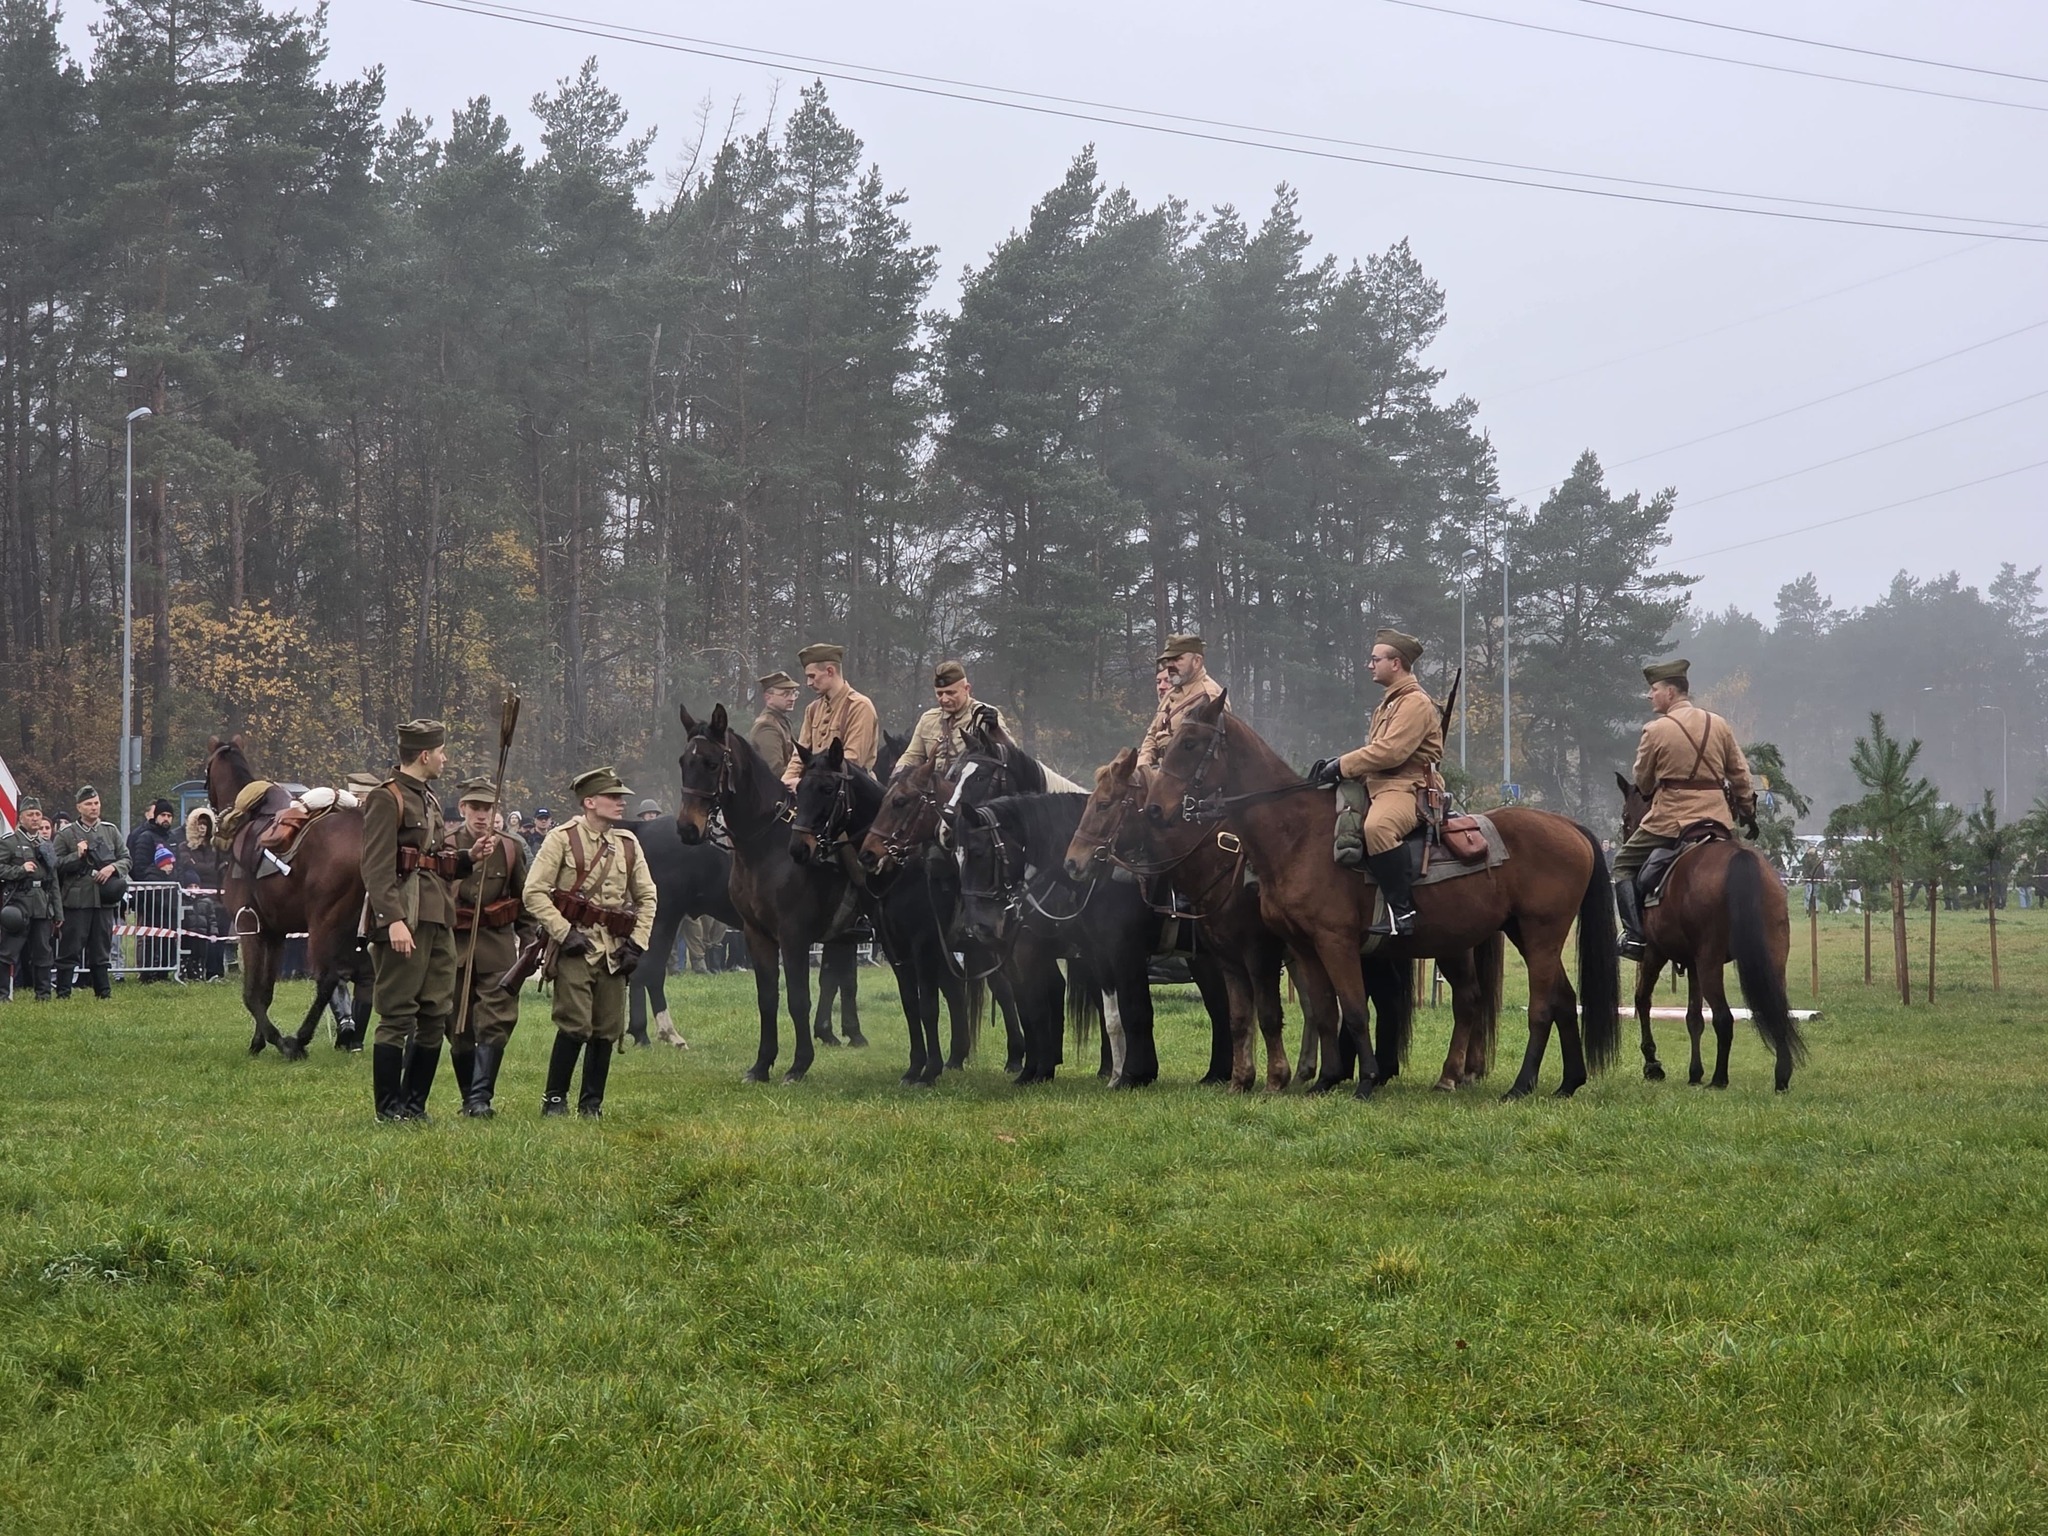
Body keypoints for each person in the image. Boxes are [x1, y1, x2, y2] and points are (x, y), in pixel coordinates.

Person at [361, 719, 493, 1122]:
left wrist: (470, 858)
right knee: (397, 1015)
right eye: (440, 752)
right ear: (424, 755)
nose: (444, 758)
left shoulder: (429, 798)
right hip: (405, 917)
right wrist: (393, 920)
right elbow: (376, 866)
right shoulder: (388, 798)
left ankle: (414, 1107)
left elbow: (433, 860)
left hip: (436, 916)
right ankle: (389, 1110)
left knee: (436, 1013)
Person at [523, 766, 658, 1118]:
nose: (620, 803)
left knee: (608, 1028)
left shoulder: (627, 844)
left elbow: (647, 896)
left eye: (621, 798)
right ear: (589, 801)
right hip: (575, 946)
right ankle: (554, 1100)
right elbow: (533, 892)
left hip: (615, 949)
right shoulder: (561, 839)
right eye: (613, 797)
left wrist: (637, 944)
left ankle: (591, 1105)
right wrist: (564, 932)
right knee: (575, 1024)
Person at [1612, 659, 1755, 961]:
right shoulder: (1719, 724)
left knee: (1622, 863)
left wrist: (1654, 788)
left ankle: (1635, 938)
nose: (1650, 695)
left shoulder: (1655, 730)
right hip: (1717, 819)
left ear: (1671, 692)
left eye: (1654, 689)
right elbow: (1740, 774)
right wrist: (1746, 808)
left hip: (1670, 821)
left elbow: (1643, 781)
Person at [1309, 628, 1442, 937]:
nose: (1370, 665)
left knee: (1377, 828)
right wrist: (1334, 768)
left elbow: (1391, 752)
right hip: (1378, 783)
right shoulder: (1390, 703)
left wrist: (1341, 764)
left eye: (1375, 659)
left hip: (1407, 785)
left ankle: (1402, 911)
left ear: (1395, 663)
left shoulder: (1414, 703)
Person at [448, 776, 533, 1117]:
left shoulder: (511, 847)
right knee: (457, 1026)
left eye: (489, 808)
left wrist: (529, 942)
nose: (482, 815)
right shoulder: (445, 843)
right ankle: (469, 1097)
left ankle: (481, 1099)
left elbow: (522, 899)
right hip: (453, 947)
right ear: (463, 808)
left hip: (497, 947)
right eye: (476, 808)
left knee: (496, 1020)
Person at [54, 785, 129, 999]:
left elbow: (126, 858)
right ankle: (63, 993)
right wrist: (76, 857)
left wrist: (112, 868)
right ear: (79, 807)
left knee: (101, 947)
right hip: (77, 899)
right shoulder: (66, 834)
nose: (94, 807)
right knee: (70, 947)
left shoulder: (110, 830)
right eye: (88, 804)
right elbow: (56, 865)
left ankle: (103, 993)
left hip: (104, 900)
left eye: (96, 803)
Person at [782, 643, 878, 786]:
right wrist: (785, 782)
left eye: (812, 676)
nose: (809, 683)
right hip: (818, 791)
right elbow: (799, 755)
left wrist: (804, 784)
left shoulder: (859, 706)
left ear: (830, 671)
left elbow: (852, 761)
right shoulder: (813, 709)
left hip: (853, 792)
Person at [895, 660, 1006, 779]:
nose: (944, 699)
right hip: (932, 791)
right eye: (939, 694)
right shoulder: (928, 719)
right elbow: (913, 755)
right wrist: (897, 776)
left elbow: (1008, 755)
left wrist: (996, 730)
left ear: (967, 689)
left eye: (950, 693)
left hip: (967, 790)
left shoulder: (984, 715)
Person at [0, 798, 60, 1000]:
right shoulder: (10, 842)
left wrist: (57, 912)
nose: (35, 819)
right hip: (19, 904)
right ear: (21, 817)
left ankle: (43, 995)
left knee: (43, 952)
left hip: (42, 905)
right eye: (30, 815)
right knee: (8, 951)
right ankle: (2, 994)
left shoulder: (46, 844)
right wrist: (20, 870)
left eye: (38, 815)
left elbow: (53, 880)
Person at [1136, 635, 1225, 770]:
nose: (1170, 665)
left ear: (1196, 661)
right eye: (1168, 660)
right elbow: (1152, 734)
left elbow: (1209, 749)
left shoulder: (1209, 696)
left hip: (1184, 776)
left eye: (1177, 659)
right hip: (1160, 770)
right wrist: (1142, 766)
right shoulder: (1171, 693)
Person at [175, 806, 231, 981]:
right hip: (197, 900)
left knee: (220, 936)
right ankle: (198, 971)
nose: (202, 827)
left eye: (206, 824)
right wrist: (211, 868)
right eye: (199, 823)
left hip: (219, 898)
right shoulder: (184, 846)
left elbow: (221, 868)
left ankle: (217, 972)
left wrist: (207, 868)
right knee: (200, 938)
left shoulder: (217, 848)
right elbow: (191, 867)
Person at [750, 671, 800, 777]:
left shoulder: (781, 721)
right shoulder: (766, 726)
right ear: (768, 697)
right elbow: (775, 771)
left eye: (793, 693)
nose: (792, 698)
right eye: (785, 694)